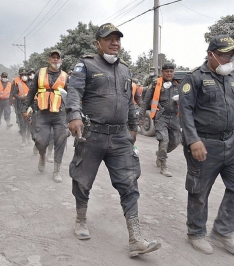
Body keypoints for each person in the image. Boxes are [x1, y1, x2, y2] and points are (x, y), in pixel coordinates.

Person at [65, 23, 161, 257]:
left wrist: (132, 126)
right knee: (82, 179)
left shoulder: (125, 70)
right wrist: (74, 116)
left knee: (129, 183)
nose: (115, 42)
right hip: (91, 134)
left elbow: (129, 101)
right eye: (109, 39)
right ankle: (80, 219)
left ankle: (136, 238)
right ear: (97, 43)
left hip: (120, 136)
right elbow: (74, 92)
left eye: (118, 39)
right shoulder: (85, 65)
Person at [179, 35, 234, 255]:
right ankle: (196, 233)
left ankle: (223, 231)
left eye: (231, 55)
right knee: (199, 190)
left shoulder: (232, 80)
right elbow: (185, 111)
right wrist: (193, 140)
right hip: (204, 142)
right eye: (223, 54)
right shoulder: (194, 78)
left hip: (231, 142)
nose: (228, 59)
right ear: (210, 54)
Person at [22, 50, 69, 183]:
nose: (55, 60)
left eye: (58, 58)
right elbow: (32, 92)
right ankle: (42, 155)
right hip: (42, 113)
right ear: (49, 60)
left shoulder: (65, 76)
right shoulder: (40, 73)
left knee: (61, 140)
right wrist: (25, 108)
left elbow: (70, 96)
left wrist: (72, 114)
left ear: (61, 61)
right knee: (40, 140)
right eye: (53, 58)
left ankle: (56, 170)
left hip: (59, 114)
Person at [139, 62, 181, 177]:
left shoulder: (178, 84)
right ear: (162, 72)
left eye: (171, 71)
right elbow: (146, 101)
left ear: (173, 72)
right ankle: (163, 166)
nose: (169, 73)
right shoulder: (156, 84)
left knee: (176, 141)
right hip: (161, 116)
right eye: (166, 71)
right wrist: (141, 116)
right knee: (164, 140)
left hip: (174, 117)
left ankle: (160, 154)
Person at [12, 68, 31, 146]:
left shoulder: (32, 83)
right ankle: (23, 140)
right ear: (20, 76)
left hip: (30, 106)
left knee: (29, 123)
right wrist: (21, 98)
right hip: (21, 105)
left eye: (25, 75)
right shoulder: (18, 84)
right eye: (22, 75)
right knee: (22, 124)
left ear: (27, 75)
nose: (24, 76)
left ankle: (28, 137)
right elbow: (14, 93)